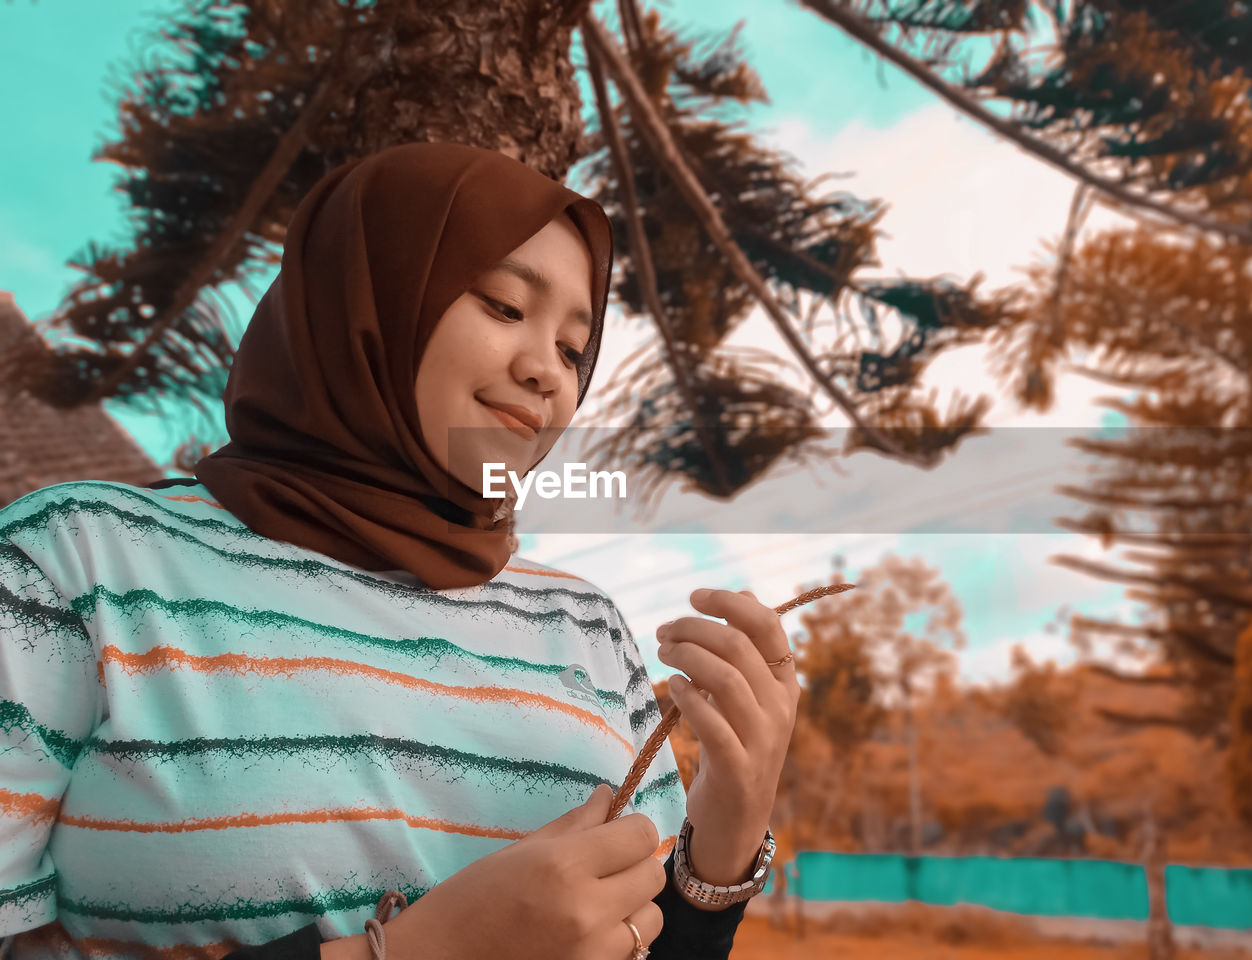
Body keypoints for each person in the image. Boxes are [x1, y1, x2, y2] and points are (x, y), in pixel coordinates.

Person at [0, 142, 800, 960]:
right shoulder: (76, 566)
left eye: (573, 349)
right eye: (502, 305)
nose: (547, 376)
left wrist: (724, 840)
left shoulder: (585, 629)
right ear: (370, 295)